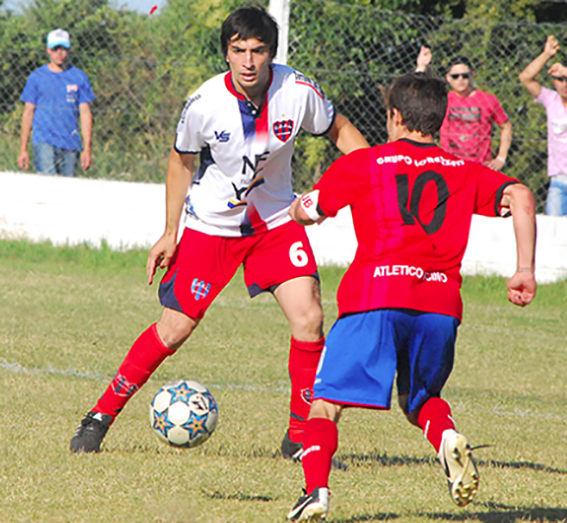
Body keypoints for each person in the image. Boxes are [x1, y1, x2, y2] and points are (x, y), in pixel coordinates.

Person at [69, 6, 368, 455]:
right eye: (238, 50)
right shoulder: (204, 103)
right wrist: (170, 231)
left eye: (258, 51)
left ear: (272, 53)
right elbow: (180, 162)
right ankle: (100, 415)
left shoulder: (299, 90)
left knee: (309, 318)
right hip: (211, 227)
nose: (248, 61)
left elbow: (340, 130)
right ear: (226, 53)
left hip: (275, 223)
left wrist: (374, 173)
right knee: (173, 330)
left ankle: (300, 439)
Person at [286, 72, 537, 521]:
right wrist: (524, 269)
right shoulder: (463, 170)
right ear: (439, 120)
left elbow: (310, 209)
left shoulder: (366, 162)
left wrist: (297, 208)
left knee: (325, 401)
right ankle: (445, 438)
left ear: (395, 116)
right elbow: (519, 194)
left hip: (375, 296)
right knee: (420, 399)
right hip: (440, 306)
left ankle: (316, 491)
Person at [416, 48, 512, 170]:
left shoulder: (488, 100)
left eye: (464, 75)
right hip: (449, 168)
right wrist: (421, 67)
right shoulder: (443, 100)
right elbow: (416, 98)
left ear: (471, 75)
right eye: (455, 76)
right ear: (448, 78)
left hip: (479, 169)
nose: (460, 79)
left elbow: (506, 126)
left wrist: (501, 158)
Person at [18, 28, 94, 176]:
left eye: (63, 49)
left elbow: (85, 112)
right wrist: (23, 149)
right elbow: (28, 112)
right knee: (48, 184)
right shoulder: (36, 77)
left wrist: (87, 148)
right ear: (48, 50)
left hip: (70, 143)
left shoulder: (79, 77)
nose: (60, 53)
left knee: (66, 190)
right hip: (44, 140)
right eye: (55, 49)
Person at [519, 35, 567, 216]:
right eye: (559, 79)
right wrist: (546, 54)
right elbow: (525, 77)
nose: (564, 84)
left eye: (566, 79)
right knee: (554, 234)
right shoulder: (551, 99)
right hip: (558, 181)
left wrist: (564, 70)